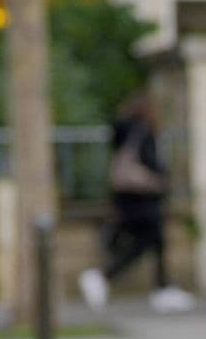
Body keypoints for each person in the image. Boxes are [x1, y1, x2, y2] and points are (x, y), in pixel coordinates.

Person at [78, 90, 186, 313]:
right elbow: (151, 164)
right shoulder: (142, 132)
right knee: (146, 243)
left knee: (154, 243)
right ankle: (104, 277)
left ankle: (161, 288)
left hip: (126, 199)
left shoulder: (123, 132)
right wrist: (160, 179)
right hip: (143, 200)